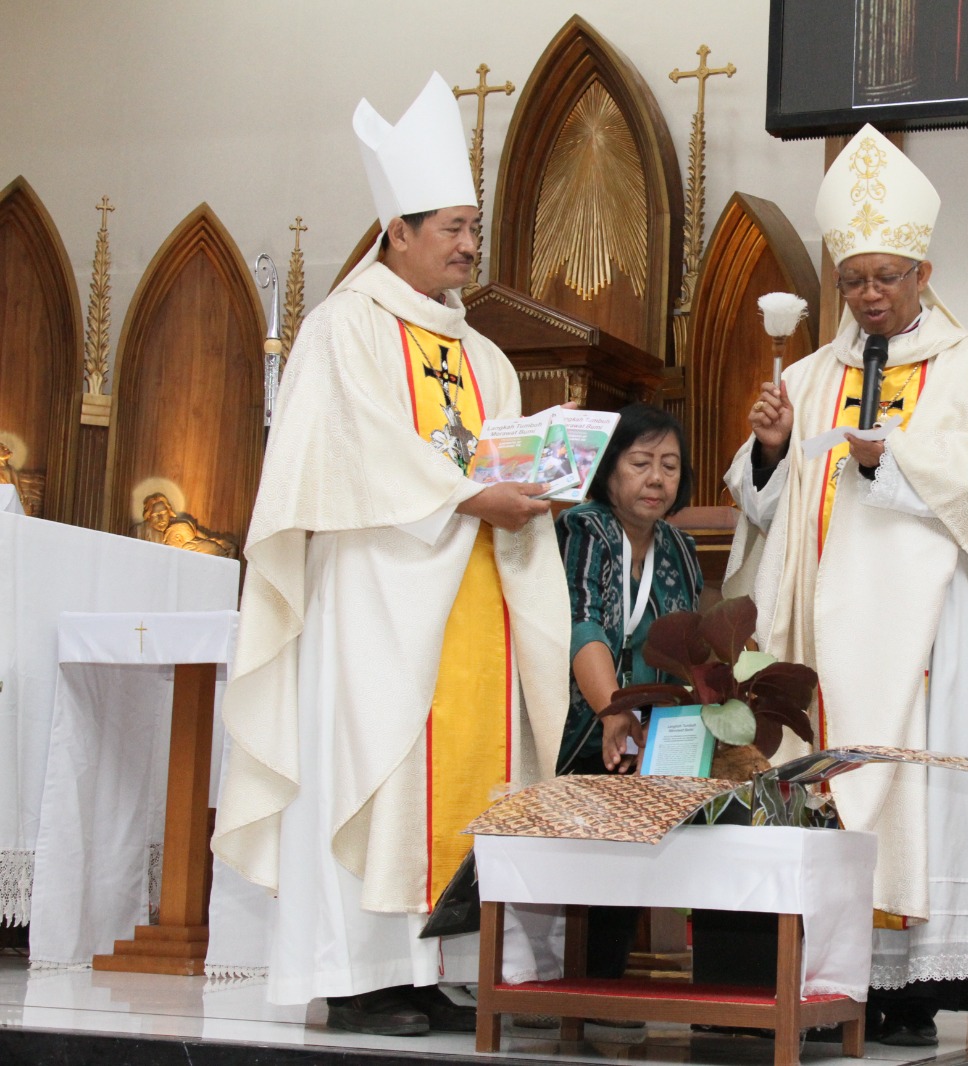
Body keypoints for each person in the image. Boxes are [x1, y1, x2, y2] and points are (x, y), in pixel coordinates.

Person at [212, 73, 570, 1036]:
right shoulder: (343, 331)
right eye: (450, 227)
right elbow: (357, 453)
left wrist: (540, 471)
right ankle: (362, 975)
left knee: (471, 772)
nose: (466, 244)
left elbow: (490, 458)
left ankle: (437, 968)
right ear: (396, 234)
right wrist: (470, 495)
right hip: (378, 603)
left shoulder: (484, 355)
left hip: (475, 601)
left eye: (471, 227)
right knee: (380, 769)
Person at [724, 124, 968, 1046]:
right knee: (827, 779)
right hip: (827, 630)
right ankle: (831, 980)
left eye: (887, 277)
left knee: (919, 790)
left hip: (930, 632)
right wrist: (767, 449)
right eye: (854, 281)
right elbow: (762, 513)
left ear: (922, 272)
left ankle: (909, 992)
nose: (870, 296)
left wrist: (897, 462)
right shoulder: (807, 375)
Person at [554, 404, 702, 981]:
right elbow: (582, 622)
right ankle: (548, 987)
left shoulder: (680, 548)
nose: (656, 479)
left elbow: (691, 646)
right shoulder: (585, 528)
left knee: (626, 863)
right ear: (609, 469)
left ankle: (601, 987)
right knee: (572, 858)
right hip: (582, 725)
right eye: (640, 462)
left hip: (653, 738)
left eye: (669, 465)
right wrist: (614, 711)